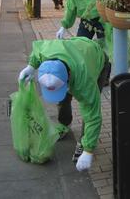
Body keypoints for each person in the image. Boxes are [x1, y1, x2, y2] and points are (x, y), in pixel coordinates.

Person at [18, 37, 111, 171]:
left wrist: (88, 151)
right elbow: (37, 52)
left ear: (68, 76)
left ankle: (84, 142)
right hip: (73, 49)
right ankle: (64, 124)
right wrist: (30, 67)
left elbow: (93, 117)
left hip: (96, 57)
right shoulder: (47, 53)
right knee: (63, 99)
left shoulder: (85, 82)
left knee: (88, 110)